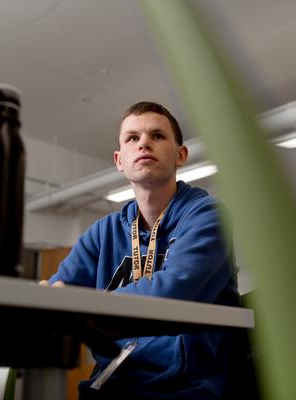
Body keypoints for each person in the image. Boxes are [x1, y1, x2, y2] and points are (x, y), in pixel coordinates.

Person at [40, 101, 239, 399]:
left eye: (157, 136)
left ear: (180, 155)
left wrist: (80, 308)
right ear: (120, 160)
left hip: (187, 389)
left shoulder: (207, 216)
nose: (144, 143)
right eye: (133, 138)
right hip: (110, 386)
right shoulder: (103, 232)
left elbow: (172, 294)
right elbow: (57, 293)